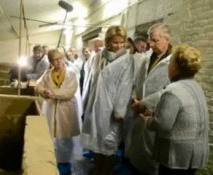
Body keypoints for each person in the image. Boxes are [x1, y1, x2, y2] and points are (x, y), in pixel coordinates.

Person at [140, 44, 209, 175]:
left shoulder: (173, 90)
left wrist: (147, 120)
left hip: (178, 155)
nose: (168, 66)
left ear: (176, 68)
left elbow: (162, 125)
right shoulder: (196, 86)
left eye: (170, 62)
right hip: (195, 151)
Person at [80, 25, 129, 175]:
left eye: (122, 42)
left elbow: (125, 86)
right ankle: (97, 167)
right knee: (96, 141)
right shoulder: (97, 57)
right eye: (115, 42)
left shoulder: (127, 60)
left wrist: (119, 110)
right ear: (107, 42)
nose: (119, 46)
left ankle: (105, 170)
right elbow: (89, 80)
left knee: (109, 142)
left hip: (112, 108)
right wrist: (86, 102)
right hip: (95, 105)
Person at [125, 23, 173, 175]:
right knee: (138, 155)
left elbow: (170, 90)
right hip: (139, 112)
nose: (150, 45)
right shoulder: (146, 59)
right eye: (149, 40)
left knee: (152, 160)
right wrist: (134, 99)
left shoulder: (173, 62)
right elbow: (136, 82)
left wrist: (145, 103)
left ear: (167, 39)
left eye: (155, 41)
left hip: (156, 114)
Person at [35, 49, 82, 175]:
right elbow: (38, 85)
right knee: (53, 135)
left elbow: (69, 92)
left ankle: (65, 163)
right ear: (50, 62)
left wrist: (52, 93)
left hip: (66, 108)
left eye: (59, 58)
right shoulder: (47, 73)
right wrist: (43, 91)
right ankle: (54, 161)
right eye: (54, 60)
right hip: (52, 108)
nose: (58, 62)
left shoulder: (72, 73)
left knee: (65, 137)